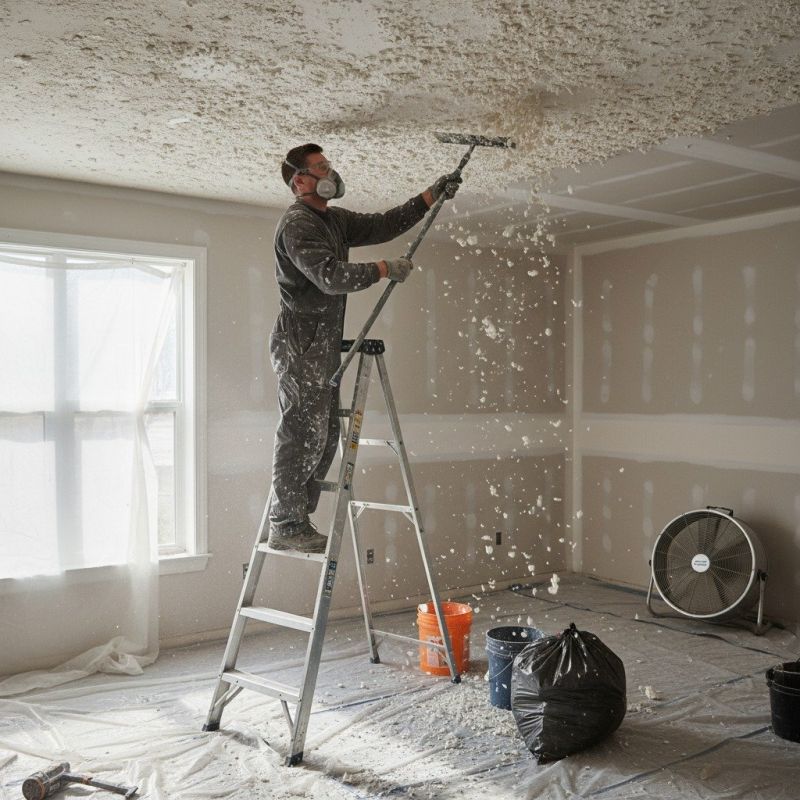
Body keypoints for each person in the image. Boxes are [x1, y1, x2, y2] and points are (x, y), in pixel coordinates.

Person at [267, 142, 460, 553]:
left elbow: (383, 224)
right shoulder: (298, 224)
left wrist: (431, 195)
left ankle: (299, 518)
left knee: (324, 438)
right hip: (300, 344)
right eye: (320, 168)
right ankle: (286, 523)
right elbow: (330, 277)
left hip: (320, 345)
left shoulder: (334, 221)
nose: (329, 174)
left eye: (329, 166)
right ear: (299, 179)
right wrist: (383, 269)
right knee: (302, 435)